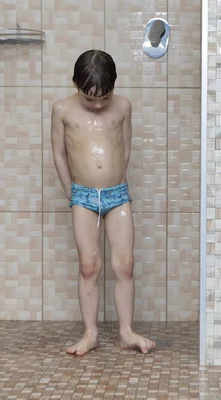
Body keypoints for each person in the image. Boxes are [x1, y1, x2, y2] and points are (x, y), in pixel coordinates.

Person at [51, 49, 156, 356]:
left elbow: (124, 146)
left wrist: (116, 180)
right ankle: (90, 333)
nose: (97, 105)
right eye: (89, 98)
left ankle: (126, 332)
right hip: (83, 195)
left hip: (117, 194)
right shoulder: (62, 110)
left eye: (103, 98)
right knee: (88, 266)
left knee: (125, 264)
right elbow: (59, 152)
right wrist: (71, 192)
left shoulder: (123, 106)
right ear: (75, 84)